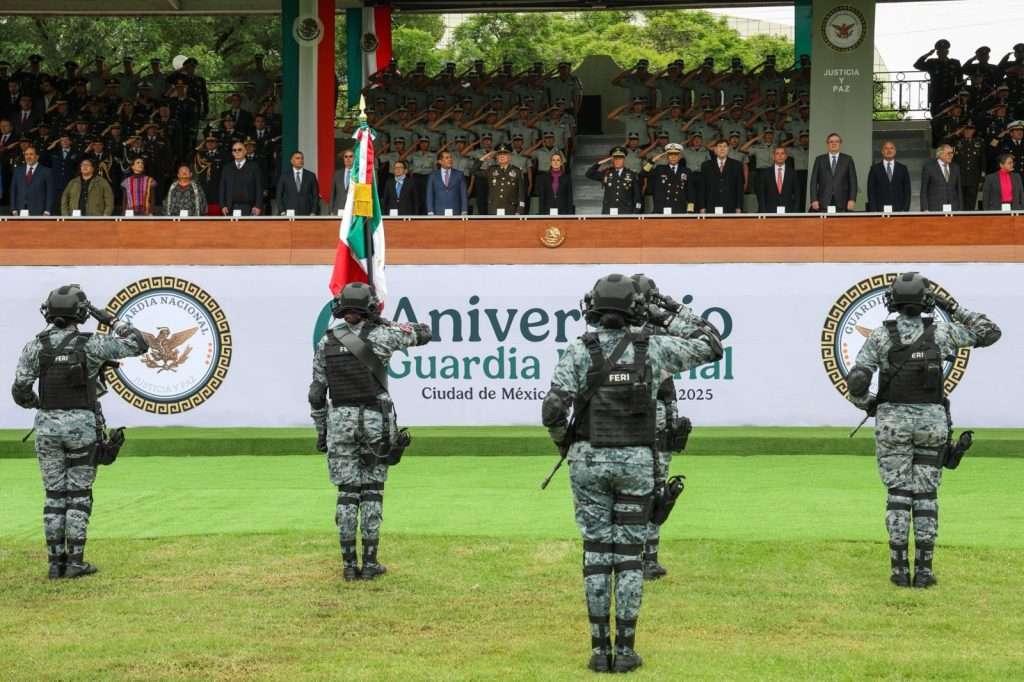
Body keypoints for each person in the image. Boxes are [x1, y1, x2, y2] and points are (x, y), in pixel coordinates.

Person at [540, 274, 723, 673]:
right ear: (635, 310)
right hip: (637, 462)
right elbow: (711, 343)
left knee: (595, 553)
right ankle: (625, 651)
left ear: (593, 307)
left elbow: (553, 409)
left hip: (587, 462)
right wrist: (669, 311)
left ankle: (598, 651)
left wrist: (564, 444)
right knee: (627, 557)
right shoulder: (653, 348)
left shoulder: (578, 350)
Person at [844, 273, 1000, 588]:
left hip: (892, 426)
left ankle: (899, 571)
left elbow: (857, 382)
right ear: (925, 301)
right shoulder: (942, 332)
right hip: (932, 425)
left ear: (893, 301)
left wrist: (871, 405)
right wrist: (952, 307)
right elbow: (990, 332)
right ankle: (925, 572)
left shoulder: (880, 336)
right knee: (926, 496)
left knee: (898, 494)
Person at [11, 284, 149, 579]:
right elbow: (139, 344)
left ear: (49, 312)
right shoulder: (93, 344)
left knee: (54, 496)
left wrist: (39, 404)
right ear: (82, 313)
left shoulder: (35, 346)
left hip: (46, 430)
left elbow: (20, 391)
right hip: (82, 429)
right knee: (79, 495)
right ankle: (74, 562)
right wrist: (111, 320)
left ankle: (55, 564)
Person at [309, 283, 432, 581]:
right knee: (373, 491)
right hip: (376, 421)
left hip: (340, 423)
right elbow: (424, 332)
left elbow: (316, 393)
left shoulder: (326, 342)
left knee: (347, 493)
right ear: (371, 307)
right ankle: (371, 562)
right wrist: (385, 322)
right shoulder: (384, 335)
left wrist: (322, 432)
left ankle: (349, 565)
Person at [472, 143, 526, 215]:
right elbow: (473, 171)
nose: (502, 156)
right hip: (493, 208)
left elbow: (521, 193)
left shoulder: (517, 171)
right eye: (499, 154)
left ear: (510, 157)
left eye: (505, 154)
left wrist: (520, 210)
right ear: (496, 157)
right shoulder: (491, 170)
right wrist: (485, 157)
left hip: (511, 208)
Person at [809, 133, 858, 212]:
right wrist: (813, 200)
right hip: (823, 201)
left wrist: (852, 199)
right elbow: (813, 182)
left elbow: (853, 182)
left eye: (837, 141)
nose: (834, 143)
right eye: (831, 141)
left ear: (840, 144)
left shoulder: (848, 159)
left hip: (843, 201)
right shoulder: (819, 160)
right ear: (827, 144)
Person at [586, 146, 642, 215]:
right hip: (608, 211)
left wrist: (635, 213)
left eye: (620, 159)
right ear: (612, 160)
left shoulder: (632, 175)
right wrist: (599, 163)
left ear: (624, 160)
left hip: (626, 211)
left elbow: (637, 196)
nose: (617, 161)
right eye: (615, 159)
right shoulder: (607, 173)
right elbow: (589, 174)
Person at [914, 39, 963, 115]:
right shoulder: (932, 62)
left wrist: (958, 94)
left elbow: (960, 79)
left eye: (944, 51)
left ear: (947, 52)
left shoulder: (955, 63)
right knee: (936, 117)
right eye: (940, 51)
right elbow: (917, 65)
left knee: (951, 118)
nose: (942, 53)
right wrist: (928, 54)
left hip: (950, 95)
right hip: (936, 96)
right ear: (937, 53)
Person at [219, 140, 263, 215]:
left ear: (245, 151)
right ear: (232, 153)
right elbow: (222, 188)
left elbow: (259, 187)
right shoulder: (227, 168)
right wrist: (223, 205)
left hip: (250, 208)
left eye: (240, 149)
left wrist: (258, 206)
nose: (237, 152)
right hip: (230, 207)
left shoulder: (254, 167)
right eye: (234, 150)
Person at [643, 143, 689, 214]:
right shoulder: (659, 169)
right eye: (670, 154)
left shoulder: (686, 171)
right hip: (661, 208)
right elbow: (643, 174)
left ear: (680, 156)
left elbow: (690, 191)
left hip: (679, 209)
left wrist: (690, 210)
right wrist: (652, 161)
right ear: (667, 156)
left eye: (676, 154)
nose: (673, 157)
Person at [866, 141, 912, 212]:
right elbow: (871, 192)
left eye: (891, 148)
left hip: (899, 211)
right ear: (882, 152)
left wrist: (905, 210)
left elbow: (907, 191)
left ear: (895, 151)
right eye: (886, 148)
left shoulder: (903, 169)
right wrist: (874, 211)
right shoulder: (874, 169)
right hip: (879, 211)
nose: (889, 150)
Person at [700, 139, 744, 213]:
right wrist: (702, 206)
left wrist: (739, 206)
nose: (722, 149)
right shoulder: (706, 165)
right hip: (711, 205)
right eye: (719, 146)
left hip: (730, 206)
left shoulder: (737, 165)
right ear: (715, 149)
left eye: (725, 146)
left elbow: (739, 188)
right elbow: (702, 187)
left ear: (728, 149)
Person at [9, 144, 55, 215]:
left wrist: (47, 210)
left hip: (39, 211)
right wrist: (13, 209)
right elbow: (13, 191)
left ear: (37, 156)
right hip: (19, 210)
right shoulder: (17, 171)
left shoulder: (46, 171)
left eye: (31, 154)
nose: (28, 157)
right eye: (26, 154)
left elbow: (50, 192)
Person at [755, 145, 799, 213]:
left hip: (788, 211)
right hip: (769, 211)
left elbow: (797, 195)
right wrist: (763, 212)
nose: (780, 156)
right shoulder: (765, 173)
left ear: (786, 156)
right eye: (777, 153)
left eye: (782, 153)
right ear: (773, 156)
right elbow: (761, 195)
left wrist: (795, 212)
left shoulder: (793, 173)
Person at [276, 151, 320, 215]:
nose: (300, 160)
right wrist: (282, 211)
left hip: (307, 213)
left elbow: (315, 196)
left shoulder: (311, 176)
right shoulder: (284, 176)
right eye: (297, 158)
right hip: (288, 213)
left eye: (302, 158)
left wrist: (313, 211)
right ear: (292, 161)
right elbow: (279, 195)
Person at [425, 150, 468, 215]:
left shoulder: (459, 174)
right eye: (447, 158)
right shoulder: (433, 176)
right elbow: (429, 194)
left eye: (450, 157)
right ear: (440, 161)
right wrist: (430, 211)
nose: (450, 159)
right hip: (438, 211)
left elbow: (463, 194)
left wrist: (464, 210)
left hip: (456, 211)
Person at [920, 144, 962, 211]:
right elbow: (924, 190)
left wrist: (960, 209)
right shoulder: (929, 167)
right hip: (935, 208)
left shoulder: (955, 167)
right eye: (949, 153)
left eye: (952, 153)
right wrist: (925, 208)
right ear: (940, 154)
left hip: (953, 208)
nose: (951, 155)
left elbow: (959, 190)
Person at [953, 123, 984, 210]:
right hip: (960, 177)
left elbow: (983, 160)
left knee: (971, 201)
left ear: (974, 131)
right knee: (960, 201)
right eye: (966, 129)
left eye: (970, 129)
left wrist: (982, 176)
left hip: (974, 177)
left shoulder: (980, 143)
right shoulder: (957, 142)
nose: (968, 131)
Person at [535, 150, 575, 215]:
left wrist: (570, 214)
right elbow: (542, 198)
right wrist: (541, 214)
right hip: (547, 210)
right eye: (553, 160)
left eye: (558, 160)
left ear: (561, 163)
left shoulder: (567, 178)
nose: (555, 162)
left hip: (563, 210)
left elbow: (569, 197)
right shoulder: (544, 178)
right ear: (550, 163)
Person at [330, 149, 355, 214]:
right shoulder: (337, 174)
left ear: (354, 159)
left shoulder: (358, 174)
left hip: (354, 210)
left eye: (350, 156)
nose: (348, 159)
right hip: (338, 210)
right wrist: (331, 211)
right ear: (343, 159)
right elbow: (333, 194)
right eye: (346, 157)